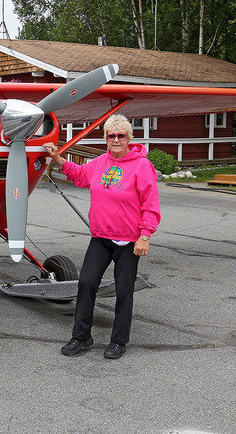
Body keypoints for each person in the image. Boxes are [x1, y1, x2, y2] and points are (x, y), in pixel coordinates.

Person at [44, 114, 161, 360]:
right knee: (86, 283)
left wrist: (145, 235)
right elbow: (80, 175)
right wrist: (58, 159)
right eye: (111, 136)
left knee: (124, 290)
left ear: (129, 138)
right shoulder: (99, 162)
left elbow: (151, 204)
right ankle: (82, 337)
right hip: (101, 237)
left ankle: (118, 341)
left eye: (121, 135)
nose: (116, 140)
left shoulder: (142, 166)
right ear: (106, 139)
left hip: (129, 240)